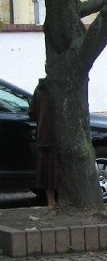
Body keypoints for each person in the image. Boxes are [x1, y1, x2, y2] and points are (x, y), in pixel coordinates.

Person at [28, 78, 58, 207]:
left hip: (45, 135)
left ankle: (51, 201)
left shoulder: (41, 88)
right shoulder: (65, 86)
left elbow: (32, 112)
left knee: (47, 172)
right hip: (57, 137)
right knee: (58, 170)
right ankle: (57, 201)